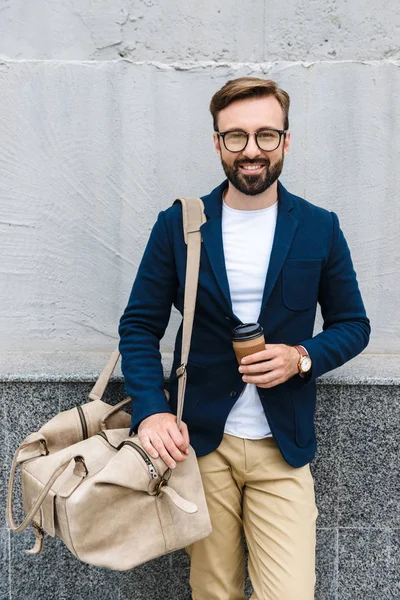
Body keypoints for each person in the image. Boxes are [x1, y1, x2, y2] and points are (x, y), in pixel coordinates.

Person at [118, 77, 370, 600]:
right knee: (216, 592)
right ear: (216, 143)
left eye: (265, 136)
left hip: (283, 448)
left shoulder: (320, 227)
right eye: (235, 137)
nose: (251, 150)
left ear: (285, 140)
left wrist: (302, 357)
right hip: (200, 446)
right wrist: (151, 410)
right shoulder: (180, 225)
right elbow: (139, 326)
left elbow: (354, 325)